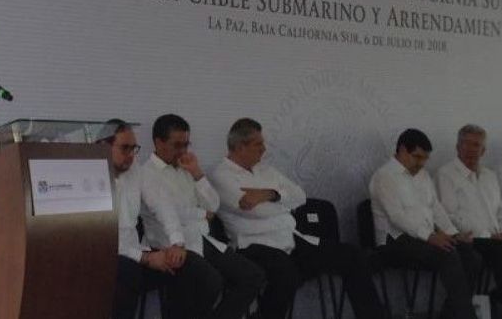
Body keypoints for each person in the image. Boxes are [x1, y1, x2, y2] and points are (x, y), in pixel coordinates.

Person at [210, 117, 385, 319]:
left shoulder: (265, 170)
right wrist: (282, 204)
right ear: (240, 147)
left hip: (290, 239)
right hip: (253, 245)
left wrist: (270, 194)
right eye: (258, 144)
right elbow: (254, 210)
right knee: (287, 273)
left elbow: (300, 196)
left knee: (351, 255)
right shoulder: (221, 175)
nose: (264, 149)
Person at [139, 114, 265, 319]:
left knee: (252, 276)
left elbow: (213, 205)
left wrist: (197, 173)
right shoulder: (147, 174)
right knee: (210, 282)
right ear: (158, 143)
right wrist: (201, 214)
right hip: (167, 244)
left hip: (200, 238)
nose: (183, 150)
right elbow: (168, 211)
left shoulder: (185, 167)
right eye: (177, 145)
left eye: (186, 144)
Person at [99, 119, 221, 319]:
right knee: (127, 275)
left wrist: (177, 243)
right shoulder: (91, 177)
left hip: (136, 254)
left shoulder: (135, 170)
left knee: (197, 273)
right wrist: (145, 258)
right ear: (104, 146)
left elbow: (162, 205)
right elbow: (102, 239)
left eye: (134, 148)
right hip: (108, 257)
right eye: (124, 148)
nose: (131, 155)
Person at [370, 128, 481, 319]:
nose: (421, 163)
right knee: (448, 255)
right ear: (402, 150)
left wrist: (453, 233)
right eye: (417, 157)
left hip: (423, 237)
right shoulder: (384, 176)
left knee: (472, 257)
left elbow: (435, 207)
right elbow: (396, 217)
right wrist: (429, 236)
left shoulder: (423, 175)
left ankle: (450, 315)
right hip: (394, 241)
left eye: (425, 159)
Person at [437, 124, 502, 299]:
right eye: (465, 143)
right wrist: (489, 235)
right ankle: (492, 300)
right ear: (457, 147)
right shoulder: (446, 174)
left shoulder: (490, 176)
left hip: (494, 239)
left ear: (483, 151)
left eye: (476, 145)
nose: (470, 149)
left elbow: (499, 211)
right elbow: (449, 215)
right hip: (468, 239)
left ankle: (493, 299)